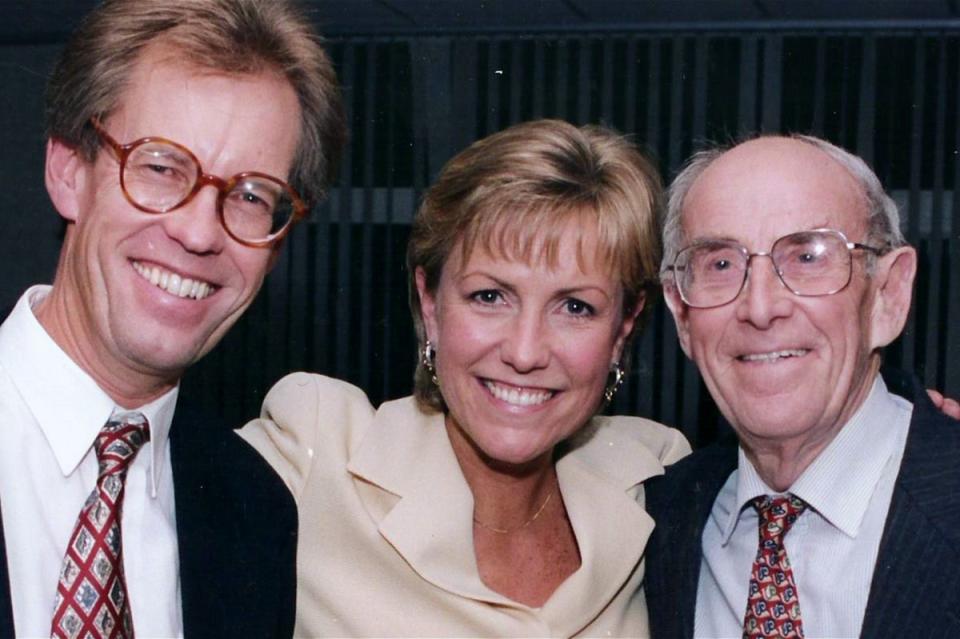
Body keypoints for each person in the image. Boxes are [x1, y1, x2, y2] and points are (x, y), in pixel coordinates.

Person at [240, 119, 690, 637]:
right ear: (430, 303)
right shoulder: (312, 455)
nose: (524, 352)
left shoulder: (655, 478)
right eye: (490, 297)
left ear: (622, 329)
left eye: (574, 306)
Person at [0, 0, 346, 636]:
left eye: (250, 196)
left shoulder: (255, 512)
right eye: (161, 166)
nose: (198, 232)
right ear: (68, 170)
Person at [644, 134, 960, 638]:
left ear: (888, 295)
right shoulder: (654, 520)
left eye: (808, 256)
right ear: (680, 313)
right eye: (721, 264)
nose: (761, 307)